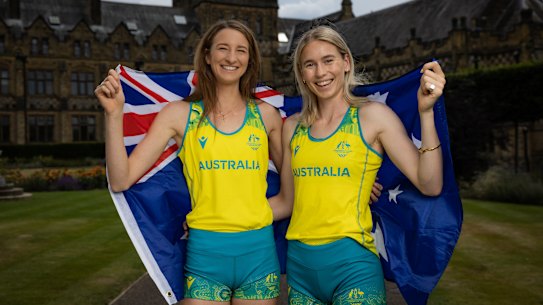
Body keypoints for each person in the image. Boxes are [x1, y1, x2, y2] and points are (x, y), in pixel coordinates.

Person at [95, 20, 284, 305]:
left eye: (241, 50)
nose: (232, 58)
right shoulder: (178, 114)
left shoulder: (267, 115)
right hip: (205, 255)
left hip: (258, 256)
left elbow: (293, 193)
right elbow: (122, 179)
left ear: (250, 59)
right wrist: (113, 113)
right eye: (223, 48)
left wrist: (351, 185)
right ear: (207, 56)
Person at [269, 25, 445, 304]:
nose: (321, 72)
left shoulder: (373, 116)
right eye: (310, 65)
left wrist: (426, 113)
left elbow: (430, 183)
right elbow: (286, 202)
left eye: (329, 60)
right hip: (300, 270)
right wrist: (219, 219)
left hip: (353, 267)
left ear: (346, 62)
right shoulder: (292, 127)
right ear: (301, 73)